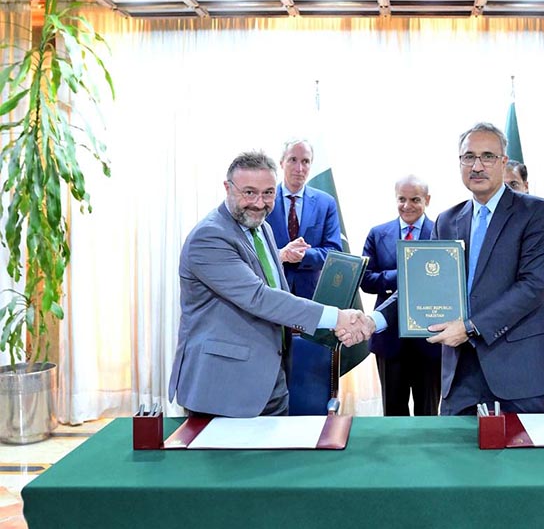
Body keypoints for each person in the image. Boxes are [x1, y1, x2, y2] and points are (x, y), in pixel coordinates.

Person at [337, 122, 544, 416]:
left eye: (488, 156)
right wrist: (374, 320)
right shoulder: (447, 220)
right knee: (455, 459)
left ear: (503, 161)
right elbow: (419, 286)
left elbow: (533, 286)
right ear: (460, 163)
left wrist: (470, 328)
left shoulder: (537, 212)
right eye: (469, 157)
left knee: (524, 460)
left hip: (519, 367)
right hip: (461, 372)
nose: (477, 165)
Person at [168, 150, 361, 417]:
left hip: (273, 379)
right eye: (249, 192)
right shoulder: (209, 237)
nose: (259, 203)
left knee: (276, 459)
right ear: (228, 188)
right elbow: (259, 297)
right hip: (224, 387)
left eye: (268, 193)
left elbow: (274, 285)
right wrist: (337, 317)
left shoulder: (262, 228)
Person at [361, 175, 442, 416]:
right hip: (390, 339)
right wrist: (406, 272)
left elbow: (446, 280)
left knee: (428, 411)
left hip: (429, 338)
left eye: (415, 199)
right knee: (393, 413)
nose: (407, 206)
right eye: (402, 199)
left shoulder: (442, 230)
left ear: (427, 200)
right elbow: (366, 280)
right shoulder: (377, 234)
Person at [266, 139, 342, 299]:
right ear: (281, 163)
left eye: (305, 161)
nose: (299, 168)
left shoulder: (326, 203)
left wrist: (304, 255)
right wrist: (282, 254)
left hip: (310, 295)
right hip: (270, 292)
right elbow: (250, 248)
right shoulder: (265, 199)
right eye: (293, 160)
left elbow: (334, 252)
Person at [504, 160, 544, 338]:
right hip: (497, 317)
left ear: (525, 186)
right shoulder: (484, 222)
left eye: (513, 184)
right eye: (503, 186)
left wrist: (529, 251)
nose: (508, 191)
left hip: (537, 314)